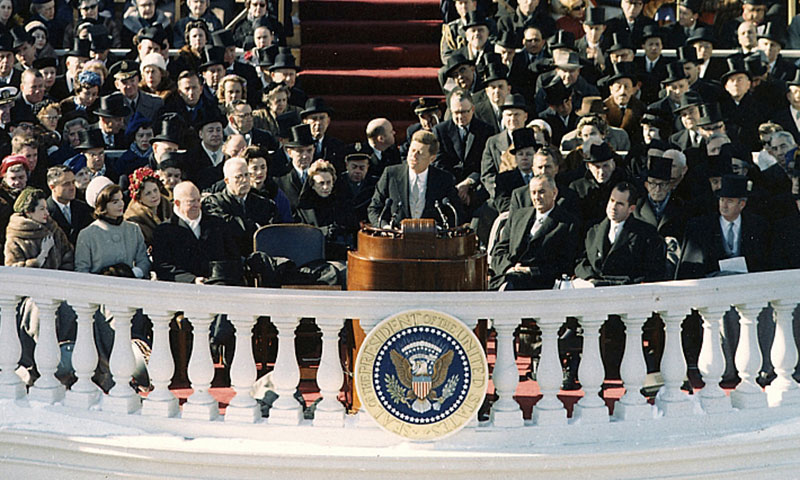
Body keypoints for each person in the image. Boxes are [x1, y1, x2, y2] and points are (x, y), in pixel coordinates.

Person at [490, 174, 580, 290]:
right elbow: (499, 250)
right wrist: (509, 268)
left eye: (541, 192)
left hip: (540, 283)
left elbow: (565, 264)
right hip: (507, 276)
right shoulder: (518, 216)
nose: (536, 197)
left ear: (554, 193)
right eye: (533, 193)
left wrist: (530, 270)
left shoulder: (568, 223)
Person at [574, 181, 666, 286]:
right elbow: (581, 261)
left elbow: (653, 271)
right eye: (612, 200)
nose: (613, 207)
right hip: (594, 289)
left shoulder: (647, 234)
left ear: (631, 208)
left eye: (620, 204)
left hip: (628, 291)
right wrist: (590, 278)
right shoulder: (593, 231)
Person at [368, 129, 462, 227]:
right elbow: (374, 209)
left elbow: (456, 213)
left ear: (432, 158)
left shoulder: (444, 179)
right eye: (412, 150)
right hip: (396, 234)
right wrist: (385, 227)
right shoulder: (391, 174)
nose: (414, 156)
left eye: (420, 153)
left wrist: (440, 229)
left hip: (432, 235)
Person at [152, 180, 239, 283]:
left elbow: (232, 256)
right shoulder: (164, 231)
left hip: (219, 284)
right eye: (191, 201)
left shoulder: (217, 224)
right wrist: (192, 280)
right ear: (177, 203)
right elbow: (163, 266)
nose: (197, 205)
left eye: (198, 200)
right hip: (183, 288)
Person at [74, 177, 150, 277]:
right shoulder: (87, 234)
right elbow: (82, 269)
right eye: (115, 202)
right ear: (102, 206)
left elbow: (143, 260)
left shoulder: (133, 229)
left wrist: (134, 273)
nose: (121, 204)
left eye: (121, 199)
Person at [203, 157, 278, 257]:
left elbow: (271, 233)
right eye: (238, 177)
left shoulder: (265, 204)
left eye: (247, 175)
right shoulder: (214, 203)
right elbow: (225, 227)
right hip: (230, 259)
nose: (244, 180)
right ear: (227, 180)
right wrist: (254, 226)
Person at [295, 159, 350, 260]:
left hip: (339, 255)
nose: (325, 187)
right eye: (321, 183)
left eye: (329, 182)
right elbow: (301, 236)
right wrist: (323, 231)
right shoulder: (304, 208)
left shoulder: (341, 204)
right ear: (312, 185)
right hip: (312, 256)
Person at [45, 164, 93, 246]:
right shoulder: (45, 212)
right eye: (66, 184)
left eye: (73, 182)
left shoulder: (83, 208)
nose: (72, 187)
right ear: (52, 187)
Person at [123, 166, 171, 246]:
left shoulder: (169, 207)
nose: (154, 195)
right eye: (148, 193)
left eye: (155, 190)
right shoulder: (133, 219)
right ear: (139, 198)